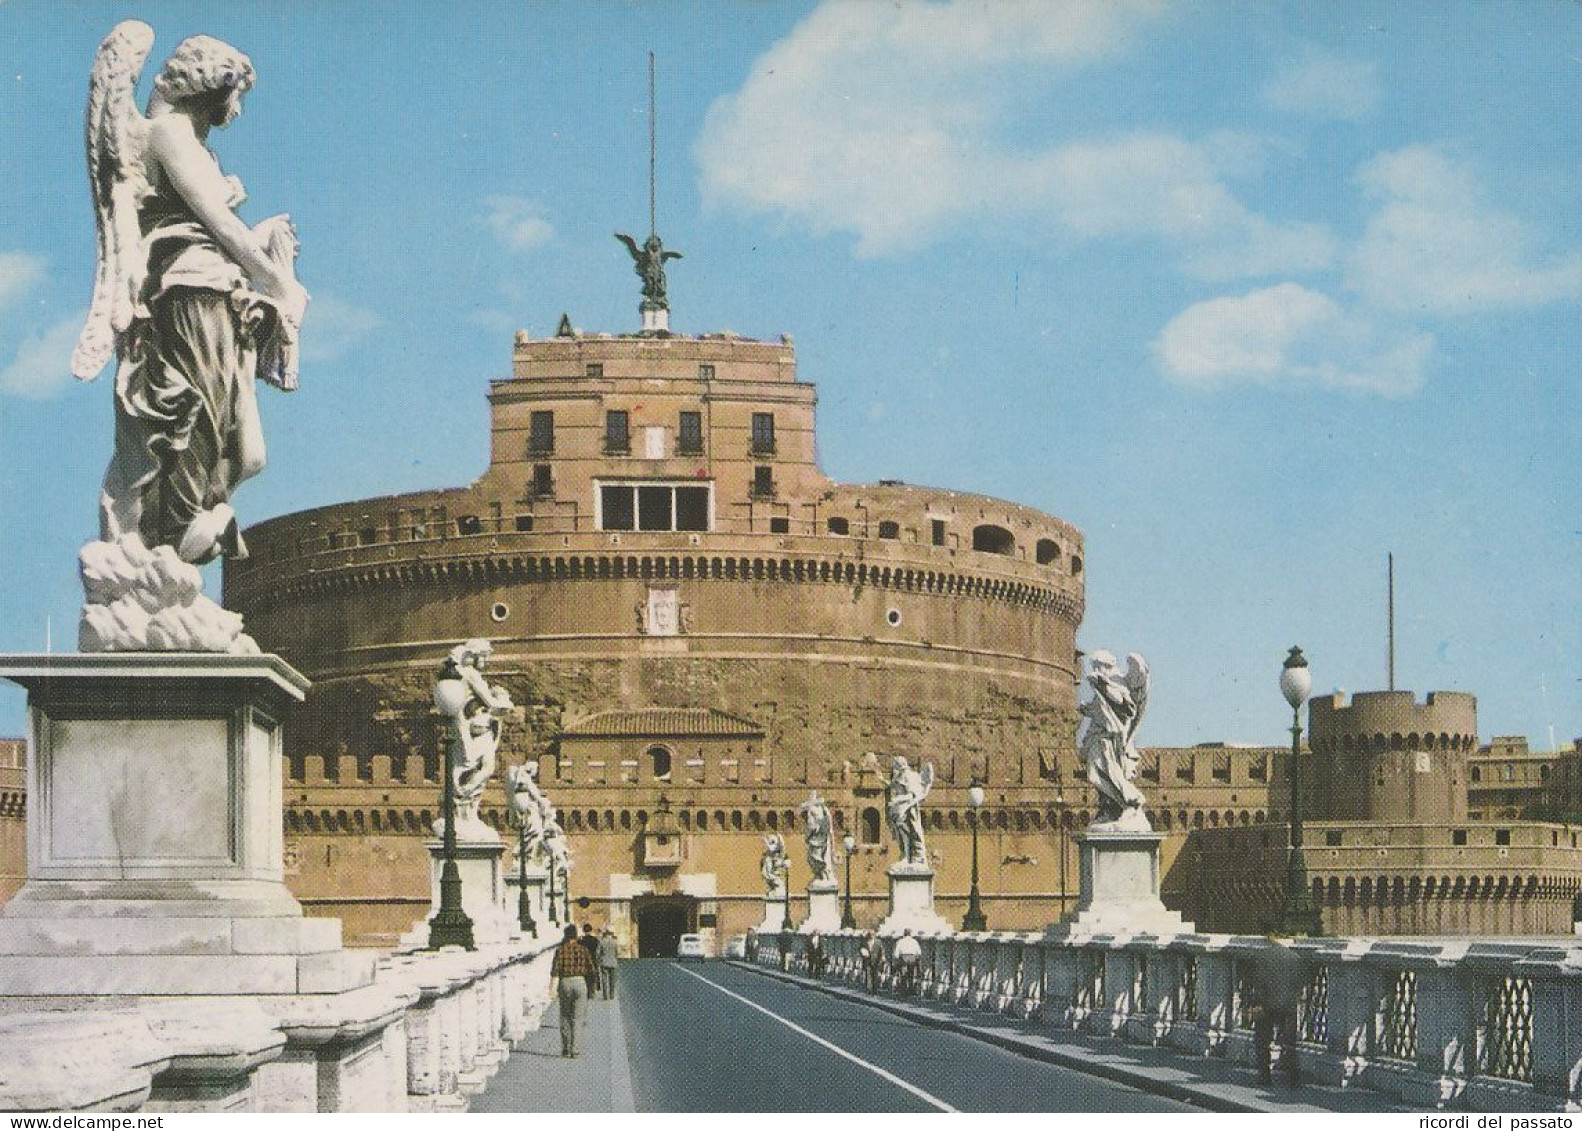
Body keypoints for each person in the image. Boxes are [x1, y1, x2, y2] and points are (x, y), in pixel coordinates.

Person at [77, 24, 309, 565]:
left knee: (246, 452)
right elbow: (214, 224)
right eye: (237, 97)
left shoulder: (193, 143)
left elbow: (219, 236)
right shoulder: (168, 135)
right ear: (213, 84)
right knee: (195, 423)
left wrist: (266, 248)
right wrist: (276, 281)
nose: (238, 112)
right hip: (189, 298)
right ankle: (175, 534)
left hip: (219, 296)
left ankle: (184, 530)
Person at [1249, 934, 1308, 1087]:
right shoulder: (1295, 957)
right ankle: (1292, 1077)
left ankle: (1265, 1075)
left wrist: (1255, 1003)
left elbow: (1258, 982)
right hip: (1288, 1004)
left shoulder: (1262, 957)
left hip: (1266, 1004)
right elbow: (1300, 983)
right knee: (1288, 1041)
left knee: (1262, 1040)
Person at [550, 923, 595, 1057]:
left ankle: (566, 1048)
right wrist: (591, 988)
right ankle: (575, 1050)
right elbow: (591, 969)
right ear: (576, 936)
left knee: (565, 1016)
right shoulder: (583, 950)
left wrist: (551, 987)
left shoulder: (560, 950)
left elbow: (555, 970)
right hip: (580, 982)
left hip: (565, 982)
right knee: (577, 1018)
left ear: (565, 935)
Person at [892, 929, 922, 996]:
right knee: (911, 975)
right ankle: (911, 990)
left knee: (903, 975)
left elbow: (896, 953)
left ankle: (903, 991)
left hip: (903, 958)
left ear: (904, 933)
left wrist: (897, 959)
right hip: (912, 958)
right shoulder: (914, 941)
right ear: (910, 934)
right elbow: (919, 952)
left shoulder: (900, 941)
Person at [577, 923, 601, 997]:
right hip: (593, 959)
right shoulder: (595, 940)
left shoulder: (581, 941)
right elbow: (597, 950)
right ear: (591, 930)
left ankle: (587, 991)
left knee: (585, 976)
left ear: (583, 931)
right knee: (592, 975)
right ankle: (592, 991)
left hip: (584, 960)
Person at [596, 927, 619, 1000]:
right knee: (612, 980)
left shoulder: (602, 942)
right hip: (613, 962)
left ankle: (605, 996)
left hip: (604, 962)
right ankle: (612, 995)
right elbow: (617, 953)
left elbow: (597, 953)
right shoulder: (615, 942)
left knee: (604, 980)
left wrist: (599, 960)